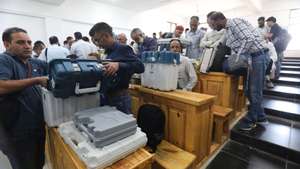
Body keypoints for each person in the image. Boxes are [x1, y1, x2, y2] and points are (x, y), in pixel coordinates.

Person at [209, 12, 269, 131]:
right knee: (249, 90)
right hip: (251, 58)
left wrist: (239, 58)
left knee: (254, 90)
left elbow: (248, 39)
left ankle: (251, 120)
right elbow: (220, 43)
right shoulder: (228, 30)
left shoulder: (235, 22)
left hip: (257, 57)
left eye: (212, 24)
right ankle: (261, 117)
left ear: (218, 20)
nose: (212, 27)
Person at [0, 27, 48, 169]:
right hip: (16, 131)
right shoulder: (4, 60)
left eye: (29, 42)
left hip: (36, 125)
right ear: (7, 44)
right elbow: (1, 86)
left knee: (38, 161)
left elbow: (56, 66)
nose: (27, 46)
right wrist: (36, 80)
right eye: (21, 42)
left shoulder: (33, 62)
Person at [89, 22, 144, 114]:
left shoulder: (123, 48)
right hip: (107, 97)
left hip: (119, 100)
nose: (97, 44)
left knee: (123, 127)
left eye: (97, 40)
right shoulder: (107, 52)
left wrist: (119, 65)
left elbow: (140, 67)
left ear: (105, 36)